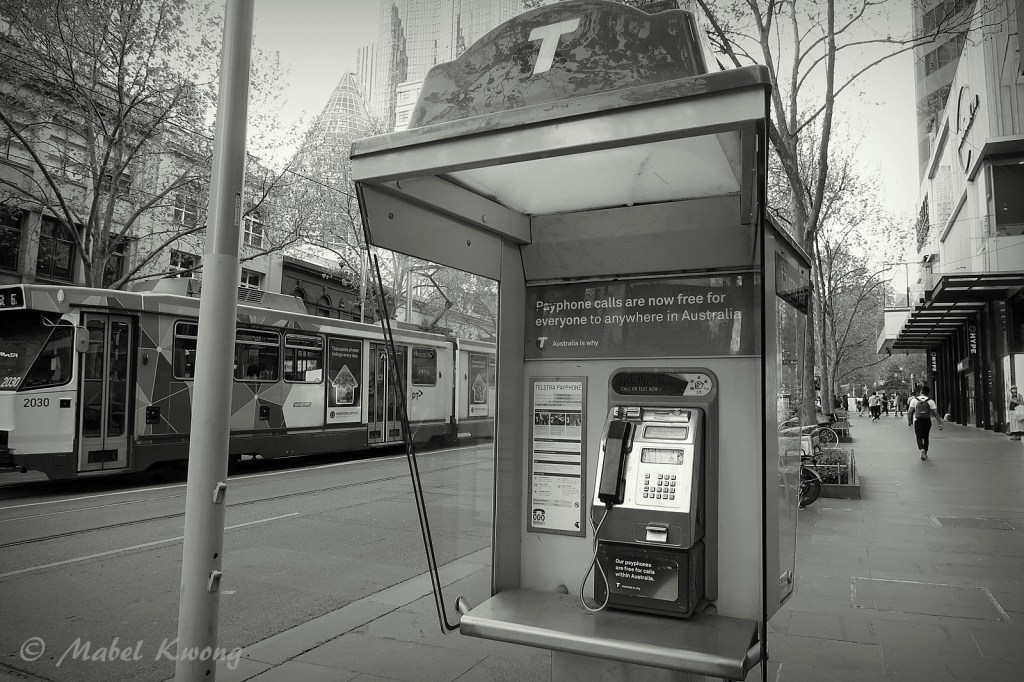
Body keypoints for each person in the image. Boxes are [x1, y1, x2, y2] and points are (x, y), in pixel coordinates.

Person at [908, 386, 943, 460]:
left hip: (917, 420)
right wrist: (940, 423)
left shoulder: (914, 400)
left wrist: (909, 421)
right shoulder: (931, 401)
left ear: (921, 392)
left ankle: (921, 449)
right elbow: (936, 413)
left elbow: (909, 412)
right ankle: (925, 452)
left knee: (918, 436)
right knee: (926, 436)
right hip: (927, 420)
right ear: (928, 393)